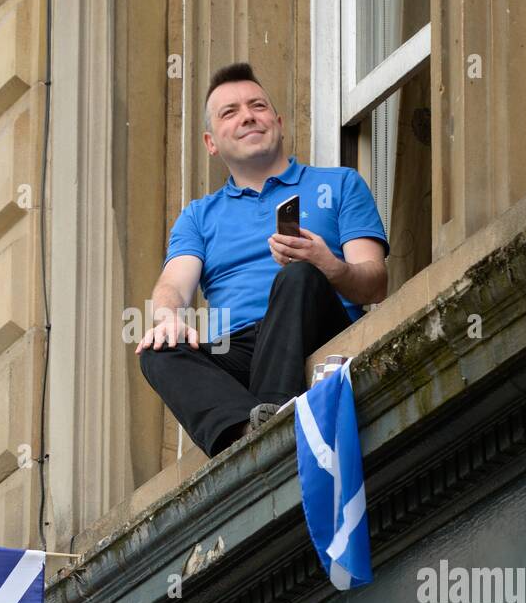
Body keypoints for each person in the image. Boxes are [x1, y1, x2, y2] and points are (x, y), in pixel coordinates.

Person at [136, 62, 389, 457]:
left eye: (257, 106)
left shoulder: (339, 183)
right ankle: (246, 430)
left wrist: (328, 265)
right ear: (211, 142)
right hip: (241, 350)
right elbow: (173, 284)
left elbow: (376, 282)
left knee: (299, 275)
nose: (248, 116)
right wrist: (167, 316)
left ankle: (272, 427)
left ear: (279, 122)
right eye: (230, 112)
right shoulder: (199, 216)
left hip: (318, 328)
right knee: (156, 349)